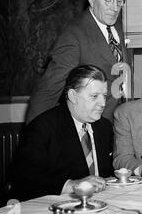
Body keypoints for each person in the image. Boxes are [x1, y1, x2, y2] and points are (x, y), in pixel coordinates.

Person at [25, 0, 130, 125]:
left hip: (118, 125)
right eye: (108, 0)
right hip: (91, 129)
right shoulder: (73, 36)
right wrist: (33, 137)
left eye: (120, 1)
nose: (115, 8)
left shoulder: (115, 23)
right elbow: (49, 90)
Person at [11, 65, 114, 201]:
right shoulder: (43, 127)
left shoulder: (104, 127)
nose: (102, 103)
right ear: (73, 96)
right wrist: (73, 185)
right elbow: (26, 179)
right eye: (94, 96)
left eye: (104, 96)